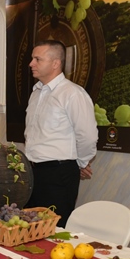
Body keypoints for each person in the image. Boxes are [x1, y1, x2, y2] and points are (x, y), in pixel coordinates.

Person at [24, 40, 97, 222]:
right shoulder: (36, 93)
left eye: (37, 59)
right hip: (32, 173)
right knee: (30, 229)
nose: (31, 63)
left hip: (58, 175)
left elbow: (87, 136)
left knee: (55, 230)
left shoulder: (72, 93)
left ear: (55, 63)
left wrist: (80, 163)